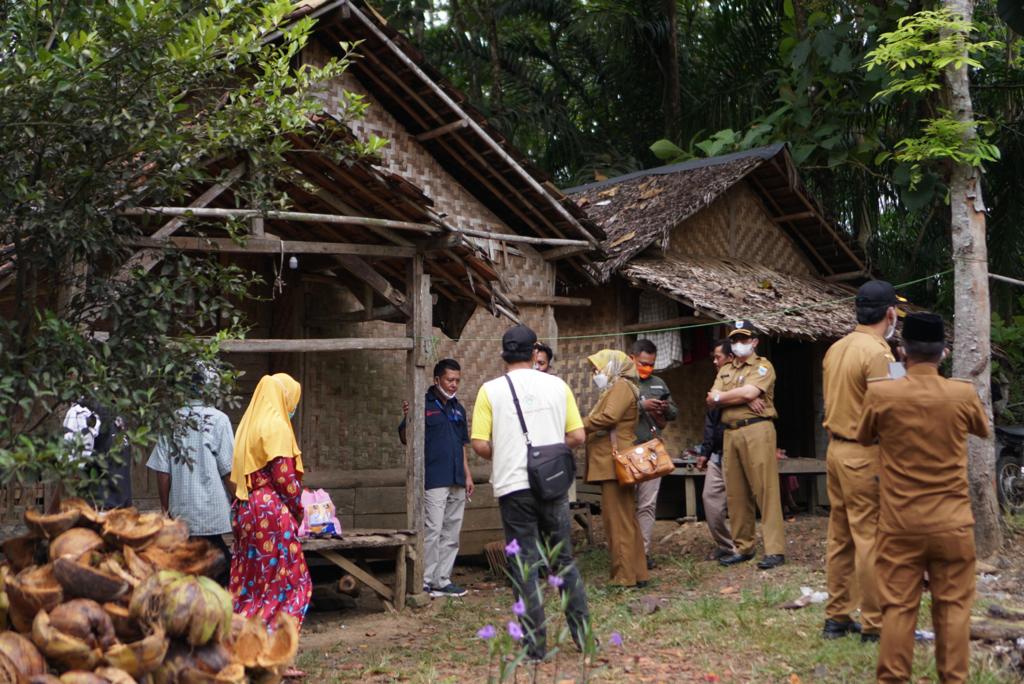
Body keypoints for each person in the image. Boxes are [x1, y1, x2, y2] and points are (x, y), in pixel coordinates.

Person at [856, 312, 988, 684]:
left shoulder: (883, 391)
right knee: (955, 608)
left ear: (902, 350)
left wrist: (899, 376)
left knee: (898, 607)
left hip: (901, 524)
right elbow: (982, 428)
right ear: (943, 353)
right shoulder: (961, 393)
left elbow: (865, 436)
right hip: (953, 524)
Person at [470, 325, 590, 661]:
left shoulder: (489, 390)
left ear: (503, 354)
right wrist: (549, 454)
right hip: (552, 485)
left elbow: (479, 443)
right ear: (534, 351)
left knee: (524, 567)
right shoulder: (557, 385)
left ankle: (535, 648)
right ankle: (583, 636)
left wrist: (508, 452)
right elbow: (578, 435)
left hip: (513, 486)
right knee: (563, 561)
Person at [820, 280, 899, 643]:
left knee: (840, 537)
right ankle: (875, 623)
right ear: (890, 313)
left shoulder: (836, 348)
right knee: (870, 539)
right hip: (864, 454)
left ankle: (836, 617)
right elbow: (891, 408)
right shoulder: (878, 353)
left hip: (835, 451)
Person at [229, 373, 312, 634]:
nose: (293, 408)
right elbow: (284, 478)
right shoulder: (276, 426)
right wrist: (300, 510)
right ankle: (274, 649)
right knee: (292, 582)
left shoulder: (248, 424)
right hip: (271, 512)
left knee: (251, 583)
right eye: (293, 401)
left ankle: (239, 641)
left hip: (246, 506)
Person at [707, 321, 785, 570]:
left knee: (765, 489)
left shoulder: (763, 366)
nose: (739, 344)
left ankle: (774, 550)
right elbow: (711, 398)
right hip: (730, 433)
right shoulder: (726, 369)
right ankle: (744, 547)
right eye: (735, 340)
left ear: (754, 342)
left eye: (744, 339)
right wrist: (738, 396)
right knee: (736, 492)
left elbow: (751, 393)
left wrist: (728, 397)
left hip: (757, 429)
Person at [146, 368, 235, 585]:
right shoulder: (219, 420)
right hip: (212, 507)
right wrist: (239, 501)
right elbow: (228, 469)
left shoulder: (172, 419)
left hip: (182, 504)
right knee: (215, 554)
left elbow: (162, 470)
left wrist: (166, 508)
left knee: (189, 555)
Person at [398, 358, 473, 598]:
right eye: (450, 380)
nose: (453, 385)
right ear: (437, 380)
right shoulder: (421, 404)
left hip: (457, 478)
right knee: (432, 530)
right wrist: (408, 417)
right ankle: (427, 580)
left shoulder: (458, 409)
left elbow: (462, 444)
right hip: (434, 478)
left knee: (452, 532)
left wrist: (468, 474)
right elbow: (405, 437)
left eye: (457, 381)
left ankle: (443, 579)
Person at [583, 349, 650, 588]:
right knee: (626, 518)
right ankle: (638, 572)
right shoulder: (620, 387)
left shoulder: (620, 387)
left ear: (612, 367)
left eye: (598, 369)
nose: (595, 374)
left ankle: (623, 577)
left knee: (617, 522)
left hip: (614, 463)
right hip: (613, 462)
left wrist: (579, 425)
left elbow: (609, 417)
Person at [629, 339, 678, 569]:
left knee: (647, 505)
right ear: (632, 359)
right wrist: (641, 406)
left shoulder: (659, 383)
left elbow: (674, 412)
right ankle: (627, 552)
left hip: (651, 449)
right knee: (627, 505)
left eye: (651, 364)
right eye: (643, 363)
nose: (646, 368)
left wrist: (664, 408)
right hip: (627, 451)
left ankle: (643, 553)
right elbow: (611, 411)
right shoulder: (622, 382)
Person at [696, 339, 736, 561]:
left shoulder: (741, 380)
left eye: (717, 357)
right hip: (717, 453)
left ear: (730, 359)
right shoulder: (716, 384)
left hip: (736, 449)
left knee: (740, 501)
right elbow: (711, 422)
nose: (714, 361)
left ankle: (743, 546)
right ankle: (725, 545)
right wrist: (704, 452)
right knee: (710, 498)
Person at [61, 398, 132, 510]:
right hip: (107, 511)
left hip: (111, 512)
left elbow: (70, 469)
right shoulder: (84, 412)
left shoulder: (84, 411)